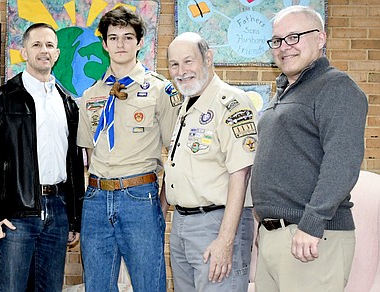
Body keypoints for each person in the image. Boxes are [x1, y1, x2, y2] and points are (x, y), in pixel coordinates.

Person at [251, 6, 367, 291]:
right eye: (277, 41)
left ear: (320, 38)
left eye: (294, 37)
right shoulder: (283, 92)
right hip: (275, 236)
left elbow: (343, 162)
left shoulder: (336, 87)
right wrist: (265, 225)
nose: (284, 47)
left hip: (311, 237)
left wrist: (311, 223)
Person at [77, 6, 181, 291]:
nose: (120, 44)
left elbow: (177, 152)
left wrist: (162, 202)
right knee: (97, 285)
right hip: (96, 199)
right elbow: (87, 153)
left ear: (139, 42)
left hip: (139, 197)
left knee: (149, 283)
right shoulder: (91, 95)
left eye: (127, 37)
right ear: (104, 44)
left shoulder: (161, 90)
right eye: (113, 38)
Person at [0, 23, 85, 292]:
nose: (43, 51)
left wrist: (74, 218)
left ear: (57, 53)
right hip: (15, 215)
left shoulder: (68, 103)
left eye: (49, 45)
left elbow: (73, 164)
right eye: (36, 45)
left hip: (58, 213)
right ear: (24, 52)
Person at [164, 32, 255, 292]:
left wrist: (225, 240)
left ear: (208, 58)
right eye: (174, 64)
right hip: (182, 222)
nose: (181, 71)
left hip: (216, 223)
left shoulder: (231, 102)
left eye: (188, 61)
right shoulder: (187, 105)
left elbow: (242, 172)